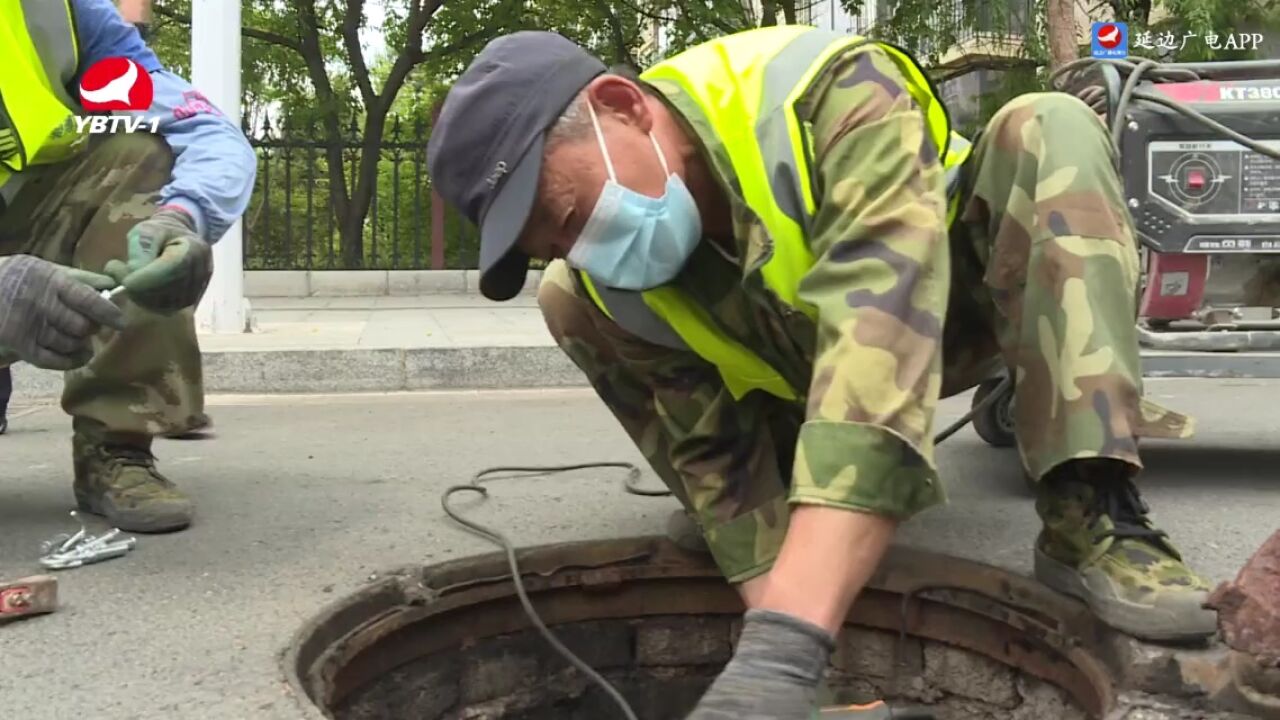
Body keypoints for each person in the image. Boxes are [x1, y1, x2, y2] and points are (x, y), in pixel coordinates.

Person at [428, 27, 1215, 718]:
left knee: (1052, 124)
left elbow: (881, 328)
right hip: (790, 377)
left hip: (945, 310)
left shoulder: (822, 92)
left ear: (622, 107)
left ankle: (1090, 507)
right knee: (569, 303)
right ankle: (798, 540)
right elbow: (711, 457)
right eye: (552, 247)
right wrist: (804, 677)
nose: (582, 250)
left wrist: (782, 649)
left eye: (571, 217)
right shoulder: (600, 280)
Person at [0, 0, 256, 532]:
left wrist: (184, 218)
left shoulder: (60, 12)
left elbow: (202, 130)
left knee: (137, 149)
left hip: (21, 228)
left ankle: (114, 447)